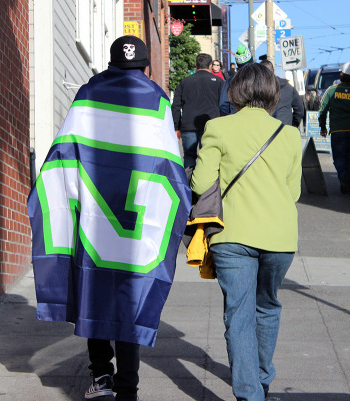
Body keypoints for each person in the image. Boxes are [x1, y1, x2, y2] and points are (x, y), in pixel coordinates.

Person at [27, 35, 191, 401]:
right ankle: (128, 386)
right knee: (128, 299)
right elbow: (171, 170)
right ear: (146, 66)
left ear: (111, 64)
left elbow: (63, 157)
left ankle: (101, 375)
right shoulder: (157, 100)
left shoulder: (88, 94)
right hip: (136, 221)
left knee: (94, 291)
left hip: (94, 219)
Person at [190, 63, 303, 401]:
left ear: (235, 91)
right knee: (267, 306)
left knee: (238, 314)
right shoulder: (290, 135)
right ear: (273, 93)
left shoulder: (217, 128)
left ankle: (249, 393)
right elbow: (294, 192)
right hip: (280, 237)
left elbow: (199, 183)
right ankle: (263, 377)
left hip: (233, 235)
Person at [318, 62, 350, 196]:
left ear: (341, 75)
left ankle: (343, 175)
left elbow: (322, 110)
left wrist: (322, 128)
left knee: (339, 159)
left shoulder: (331, 90)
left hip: (337, 131)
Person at [172, 53, 224, 168]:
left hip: (188, 125)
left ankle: (188, 183)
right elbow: (224, 105)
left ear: (196, 65)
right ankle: (205, 184)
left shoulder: (185, 82)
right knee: (208, 157)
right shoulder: (219, 82)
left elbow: (176, 106)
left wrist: (176, 127)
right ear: (210, 66)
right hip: (211, 125)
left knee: (189, 157)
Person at [260, 60, 304, 127]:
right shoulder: (288, 88)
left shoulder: (257, 90)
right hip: (285, 129)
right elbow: (300, 110)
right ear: (273, 71)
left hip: (265, 131)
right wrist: (293, 125)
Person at [219, 45, 254, 116]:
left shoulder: (231, 80)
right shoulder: (261, 77)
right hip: (258, 120)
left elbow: (223, 104)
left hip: (236, 119)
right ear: (251, 60)